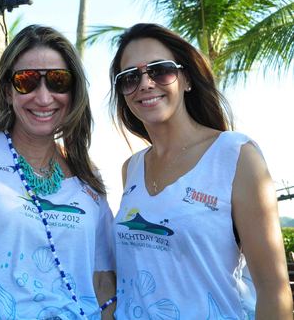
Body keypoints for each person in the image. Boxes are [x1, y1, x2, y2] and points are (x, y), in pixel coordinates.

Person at [0, 24, 116, 320]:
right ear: (7, 91)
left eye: (58, 81)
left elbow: (103, 282)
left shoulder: (87, 174)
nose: (43, 97)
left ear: (73, 90)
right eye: (26, 81)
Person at [110, 23, 292, 319]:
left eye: (160, 70)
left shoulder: (236, 155)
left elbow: (274, 290)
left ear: (187, 80)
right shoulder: (131, 168)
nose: (144, 84)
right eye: (130, 77)